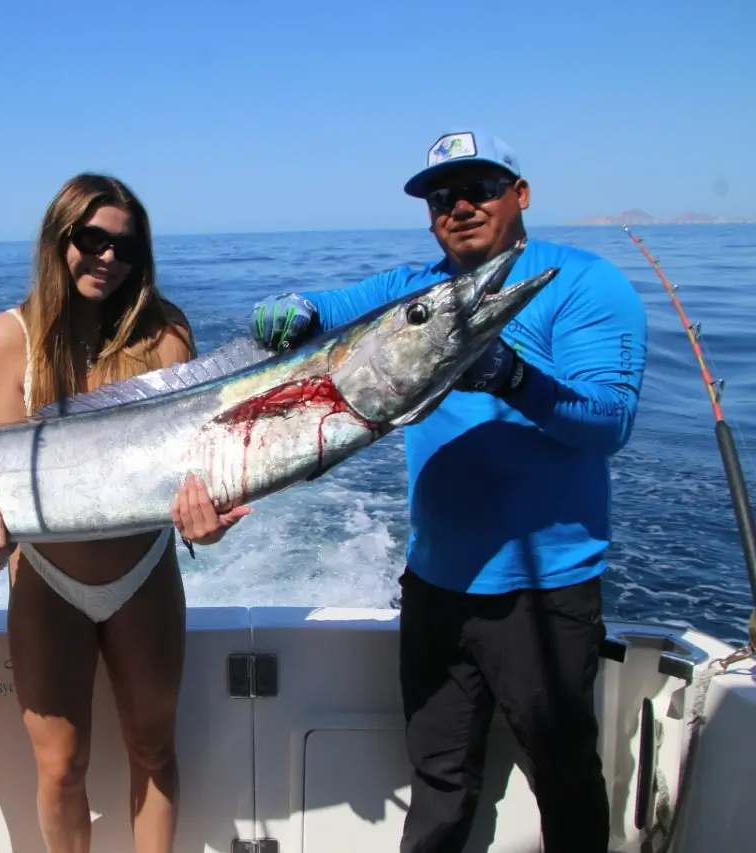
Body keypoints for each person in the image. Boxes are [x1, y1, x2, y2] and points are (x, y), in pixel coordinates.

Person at [249, 129, 648, 853]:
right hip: (435, 584)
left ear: (520, 194)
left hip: (544, 593)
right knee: (438, 777)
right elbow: (325, 307)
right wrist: (293, 305)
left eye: (480, 188)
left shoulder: (585, 283)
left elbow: (609, 422)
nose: (459, 206)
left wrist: (514, 378)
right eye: (441, 197)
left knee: (564, 779)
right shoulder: (415, 293)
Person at [0, 172, 247, 853]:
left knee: (153, 749)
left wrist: (203, 523)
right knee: (61, 768)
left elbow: (195, 468)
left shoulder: (167, 334)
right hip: (47, 579)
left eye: (126, 246)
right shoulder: (3, 342)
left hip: (144, 570)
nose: (109, 257)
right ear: (57, 239)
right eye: (92, 239)